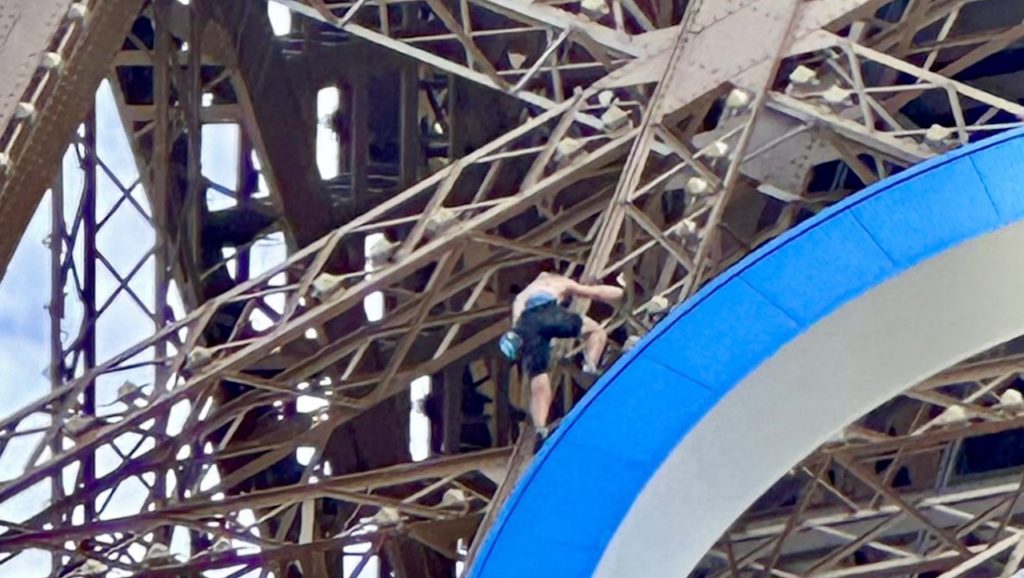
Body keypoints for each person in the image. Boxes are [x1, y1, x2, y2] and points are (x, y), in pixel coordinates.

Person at [499, 272, 624, 441]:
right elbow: (596, 293)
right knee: (595, 331)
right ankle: (589, 366)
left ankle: (540, 428)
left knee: (539, 378)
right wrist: (623, 293)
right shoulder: (558, 282)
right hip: (549, 311)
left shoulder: (523, 295)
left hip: (526, 324)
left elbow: (516, 323)